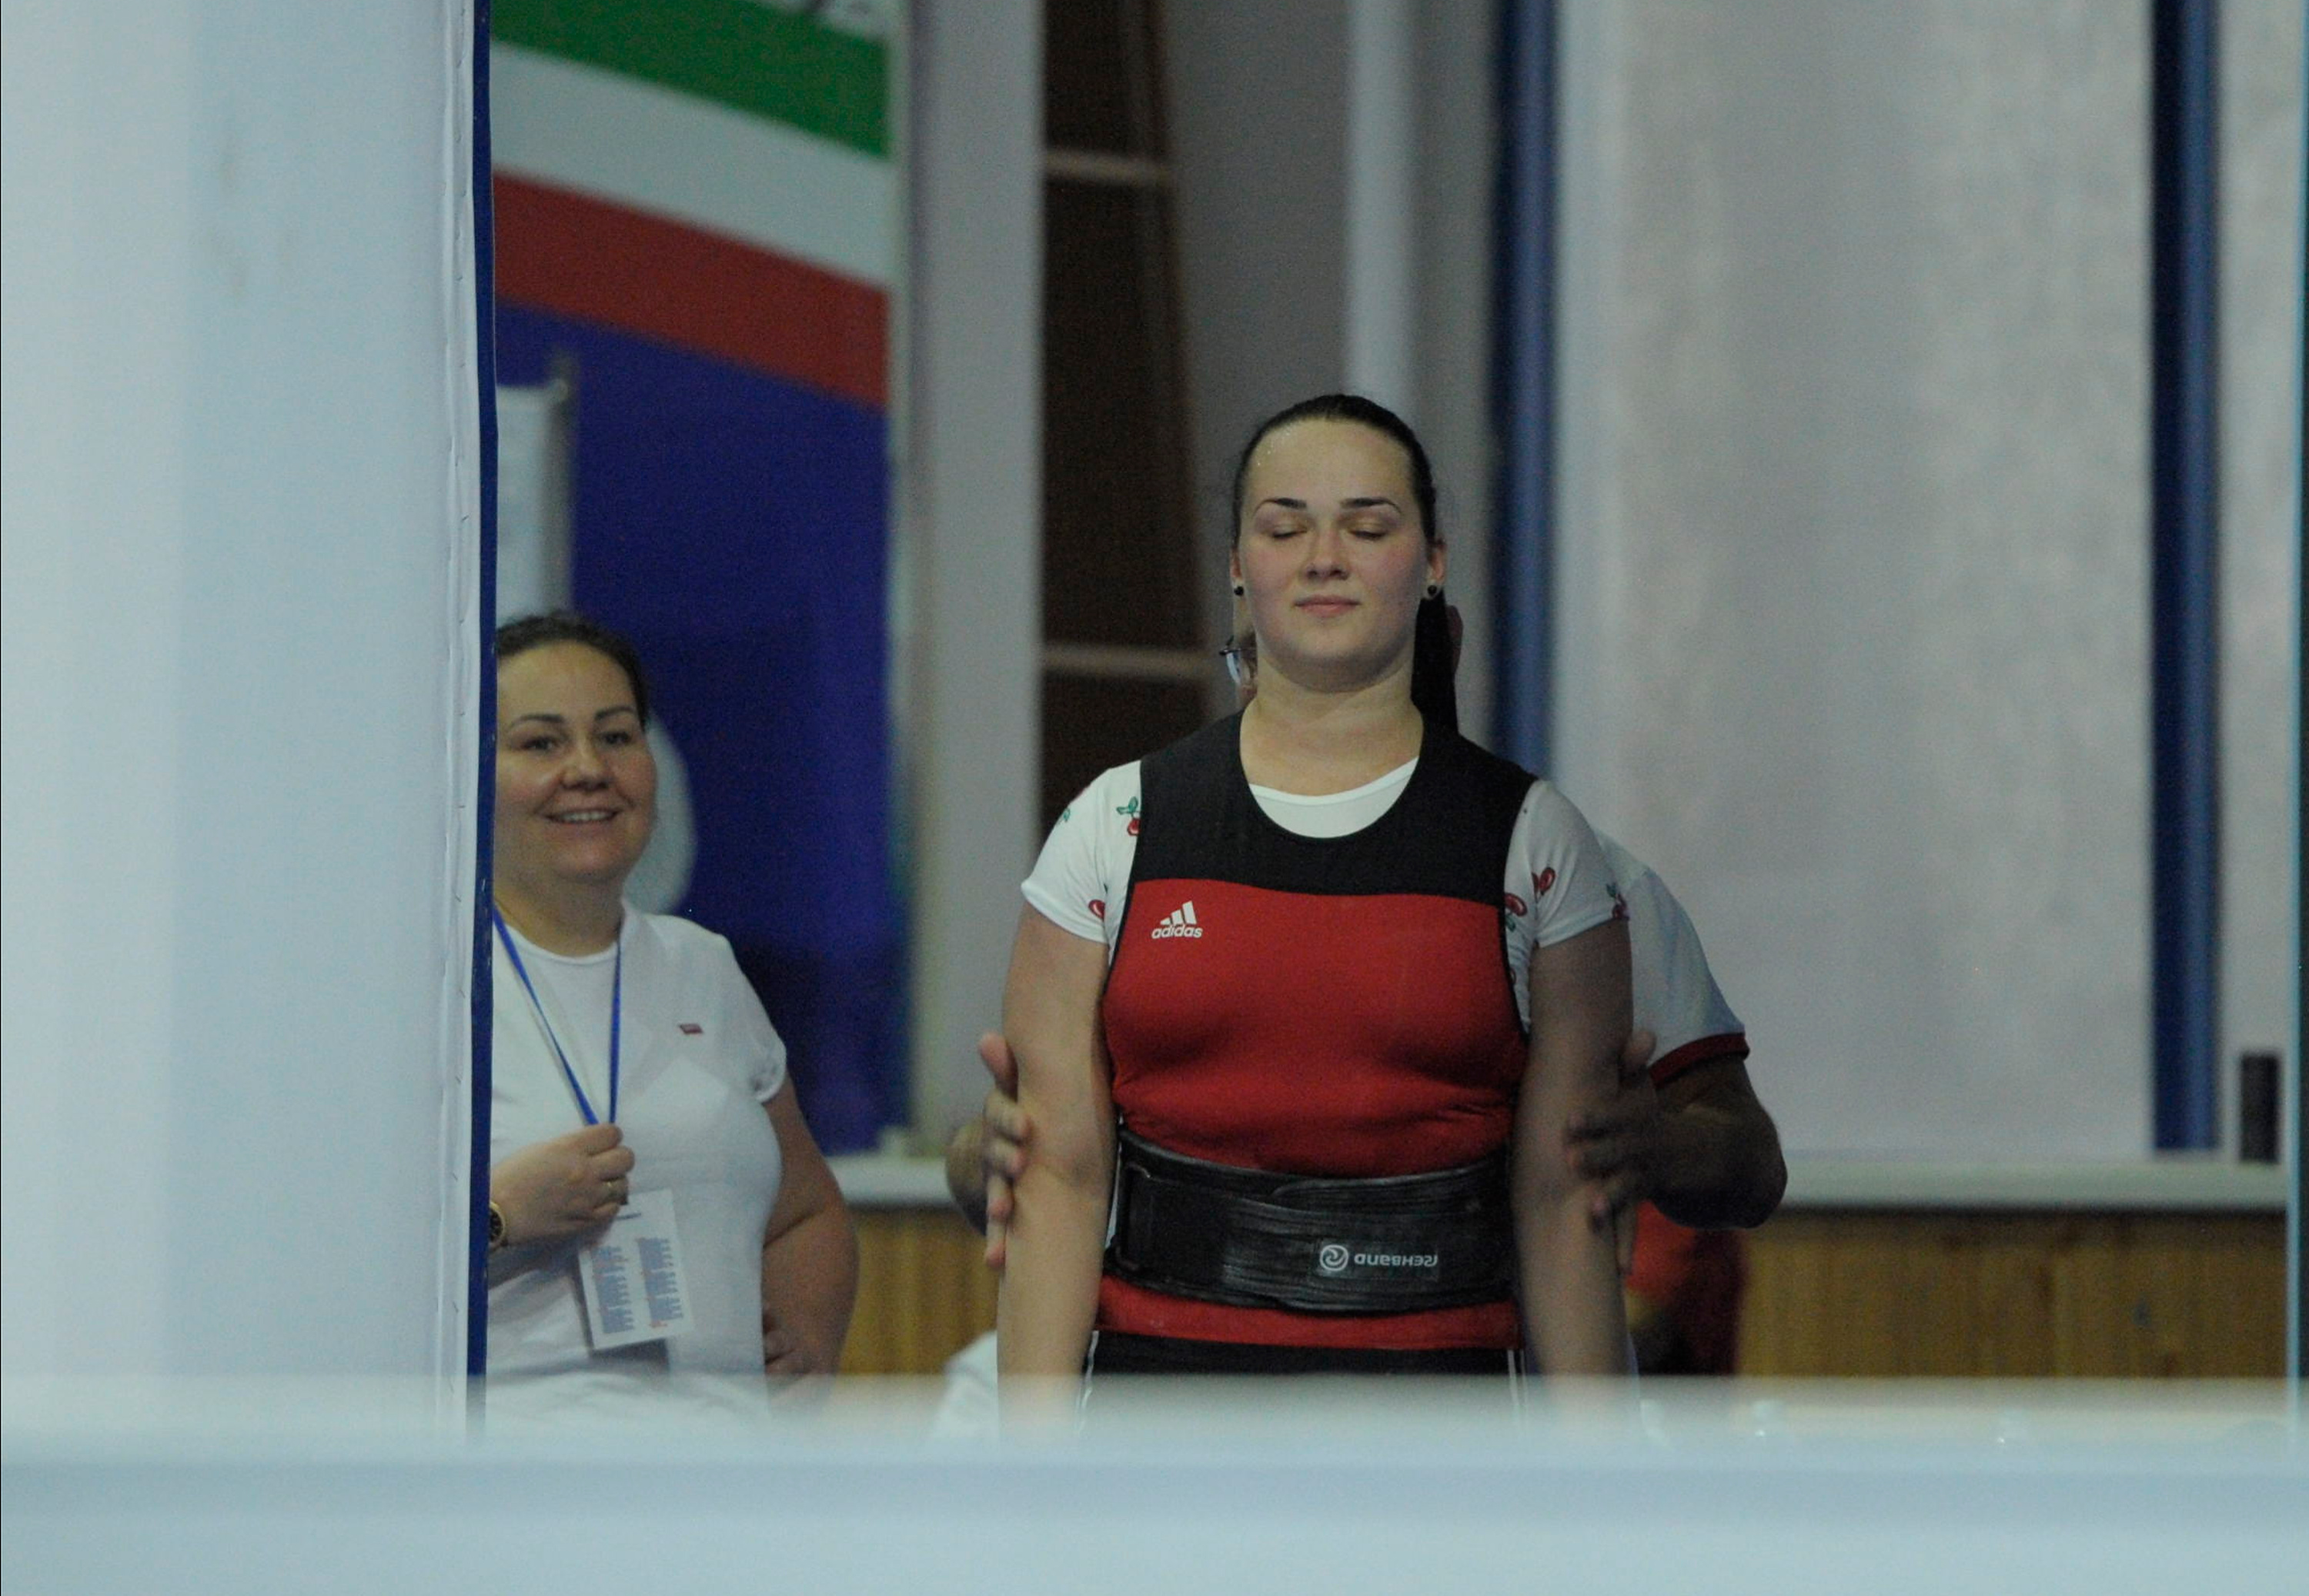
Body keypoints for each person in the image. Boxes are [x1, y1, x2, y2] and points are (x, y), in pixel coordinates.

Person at [996, 394, 1635, 1399]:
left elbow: (1564, 1202)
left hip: (1442, 1417)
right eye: (1285, 527)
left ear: (1433, 561)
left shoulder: (1535, 842)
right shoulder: (1112, 827)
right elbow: (1059, 1179)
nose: (1324, 558)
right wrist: (1027, 1473)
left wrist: (1598, 1479)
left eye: (1367, 527)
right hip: (1159, 1414)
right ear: (1238, 564)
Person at [949, 626, 1783, 1383]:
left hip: (1484, 1404)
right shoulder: (1129, 848)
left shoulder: (1575, 878)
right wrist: (994, 1158)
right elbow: (1036, 1160)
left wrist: (1655, 1147)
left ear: (1441, 647)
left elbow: (1751, 1168)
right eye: (1254, 656)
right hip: (1180, 1386)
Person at [483, 612, 856, 1427]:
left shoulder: (702, 965)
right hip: (512, 1481)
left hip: (718, 1478)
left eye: (617, 736)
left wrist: (808, 1346)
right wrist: (498, 1216)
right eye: (541, 743)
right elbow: (332, 1266)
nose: (589, 770)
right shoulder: (428, 989)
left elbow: (806, 1213)